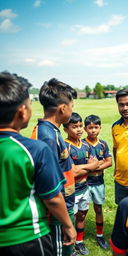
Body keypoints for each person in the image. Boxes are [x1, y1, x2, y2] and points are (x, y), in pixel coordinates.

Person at [0, 72, 76, 256]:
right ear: (22, 111)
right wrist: (68, 225)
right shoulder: (38, 147)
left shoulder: (51, 134)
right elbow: (51, 196)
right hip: (29, 236)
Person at [31, 78, 78, 256]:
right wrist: (66, 223)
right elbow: (49, 185)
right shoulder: (48, 137)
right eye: (71, 106)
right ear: (62, 108)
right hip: (58, 214)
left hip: (62, 209)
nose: (72, 110)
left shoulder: (50, 131)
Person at [63, 112, 100, 256]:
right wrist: (89, 167)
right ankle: (70, 247)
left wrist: (85, 168)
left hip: (85, 188)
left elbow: (95, 163)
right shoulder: (65, 146)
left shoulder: (85, 144)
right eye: (74, 127)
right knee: (71, 219)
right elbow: (71, 173)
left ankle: (79, 242)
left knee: (82, 215)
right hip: (72, 191)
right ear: (66, 129)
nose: (78, 129)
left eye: (80, 126)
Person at [83, 114, 112, 249]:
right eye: (90, 128)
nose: (93, 130)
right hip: (85, 184)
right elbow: (81, 165)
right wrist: (93, 168)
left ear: (100, 128)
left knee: (98, 209)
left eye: (96, 127)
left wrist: (95, 167)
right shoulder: (82, 144)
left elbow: (109, 162)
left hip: (98, 183)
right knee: (82, 212)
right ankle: (79, 240)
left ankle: (100, 236)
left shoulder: (103, 144)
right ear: (85, 129)